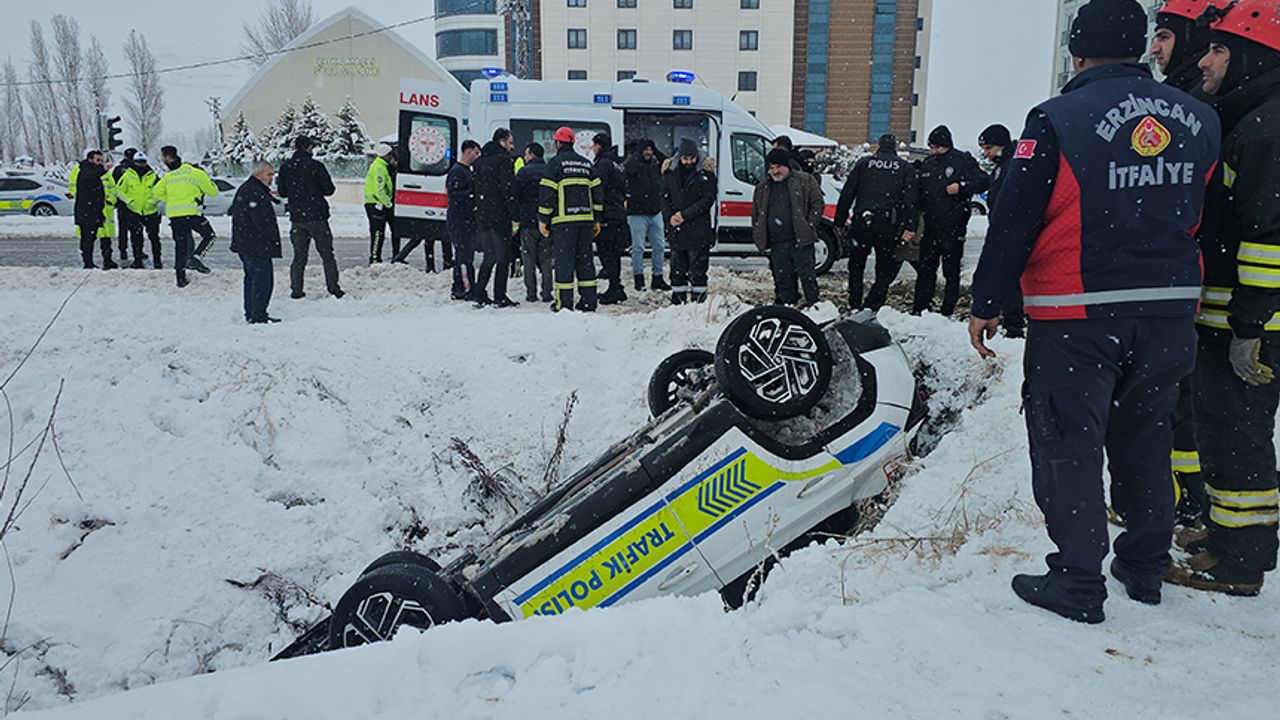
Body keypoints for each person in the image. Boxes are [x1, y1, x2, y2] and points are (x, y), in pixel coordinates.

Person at [968, 0, 1219, 622]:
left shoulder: (1057, 118)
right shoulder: (1200, 118)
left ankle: (1077, 580)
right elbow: (1214, 216)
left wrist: (987, 301)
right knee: (1147, 438)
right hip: (1168, 311)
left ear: (1077, 54)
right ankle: (1143, 566)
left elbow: (1015, 216)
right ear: (1139, 48)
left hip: (1078, 311)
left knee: (1067, 439)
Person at [1164, 0, 1280, 596]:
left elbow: (1266, 242)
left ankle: (1242, 564)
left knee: (1239, 436)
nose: (1204, 60)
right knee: (1223, 430)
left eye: (1217, 49)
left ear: (1250, 56)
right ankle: (1228, 537)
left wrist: (1250, 326)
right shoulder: (1249, 117)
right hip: (1237, 315)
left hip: (1254, 323)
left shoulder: (1266, 127)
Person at [833, 133, 918, 310]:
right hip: (888, 224)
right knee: (884, 266)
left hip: (862, 221)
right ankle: (874, 303)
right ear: (894, 147)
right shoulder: (904, 167)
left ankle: (854, 301)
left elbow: (848, 193)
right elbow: (911, 200)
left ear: (879, 146)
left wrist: (839, 221)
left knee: (856, 265)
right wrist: (911, 226)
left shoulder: (864, 164)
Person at [915, 124, 989, 316]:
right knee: (926, 269)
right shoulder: (929, 163)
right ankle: (921, 307)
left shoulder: (962, 160)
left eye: (937, 147)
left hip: (953, 224)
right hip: (931, 224)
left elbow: (983, 181)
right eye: (931, 147)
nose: (933, 151)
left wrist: (961, 187)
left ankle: (948, 308)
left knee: (951, 269)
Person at [539, 126, 602, 312]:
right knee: (585, 263)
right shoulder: (586, 164)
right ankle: (589, 302)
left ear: (558, 143)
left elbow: (547, 194)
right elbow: (597, 194)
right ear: (573, 143)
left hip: (563, 223)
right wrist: (596, 219)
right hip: (586, 223)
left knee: (564, 264)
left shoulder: (554, 164)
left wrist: (544, 219)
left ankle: (564, 304)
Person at [753, 148, 824, 307]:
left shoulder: (805, 180)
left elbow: (817, 203)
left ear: (787, 166)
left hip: (800, 241)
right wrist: (760, 235)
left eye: (778, 167)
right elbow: (757, 214)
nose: (775, 171)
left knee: (807, 277)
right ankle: (788, 309)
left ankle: (815, 309)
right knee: (783, 281)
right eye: (771, 168)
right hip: (777, 243)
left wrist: (809, 225)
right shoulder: (762, 188)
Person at [277, 135, 343, 300]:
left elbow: (282, 192)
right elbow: (329, 190)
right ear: (307, 148)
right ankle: (333, 288)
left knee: (299, 255)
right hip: (318, 216)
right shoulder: (316, 166)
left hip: (297, 218)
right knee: (327, 254)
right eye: (311, 147)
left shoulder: (286, 167)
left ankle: (296, 290)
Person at [977, 124, 1024, 338]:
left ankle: (1014, 326)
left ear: (1001, 145)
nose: (986, 153)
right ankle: (1011, 319)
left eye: (988, 148)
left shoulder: (1014, 164)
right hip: (1002, 228)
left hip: (1014, 231)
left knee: (1012, 279)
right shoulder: (999, 166)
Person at [153, 145, 219, 288]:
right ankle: (196, 257)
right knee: (210, 236)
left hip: (175, 216)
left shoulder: (169, 176)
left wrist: (170, 199)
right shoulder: (197, 173)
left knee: (180, 247)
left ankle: (180, 278)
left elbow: (156, 192)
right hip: (192, 214)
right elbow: (213, 192)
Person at [662, 138, 718, 304]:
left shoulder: (706, 174)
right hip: (677, 230)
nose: (688, 162)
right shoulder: (670, 173)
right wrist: (670, 216)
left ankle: (698, 302)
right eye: (685, 159)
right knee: (677, 270)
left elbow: (707, 200)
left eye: (691, 159)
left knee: (698, 270)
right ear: (679, 157)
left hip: (698, 230)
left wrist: (684, 215)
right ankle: (677, 302)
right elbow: (664, 197)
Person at [230, 161, 283, 325]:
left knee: (252, 278)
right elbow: (262, 221)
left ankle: (252, 312)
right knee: (262, 280)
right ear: (258, 175)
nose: (271, 178)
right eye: (269, 174)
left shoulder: (250, 189)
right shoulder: (255, 192)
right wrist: (271, 239)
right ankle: (258, 314)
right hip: (256, 245)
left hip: (247, 243)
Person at [472, 128, 519, 307]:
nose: (512, 146)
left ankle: (480, 293)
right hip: (500, 215)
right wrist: (514, 215)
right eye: (510, 142)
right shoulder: (504, 161)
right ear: (502, 141)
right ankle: (500, 295)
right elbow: (508, 190)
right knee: (503, 258)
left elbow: (475, 188)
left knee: (489, 256)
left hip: (483, 215)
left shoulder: (479, 162)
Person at [1151, 0, 1225, 96]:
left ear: (1193, 38)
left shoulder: (1202, 97)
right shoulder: (1186, 91)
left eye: (1164, 37)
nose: (1154, 49)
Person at [624, 139, 669, 292]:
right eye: (646, 150)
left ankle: (658, 277)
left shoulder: (655, 165)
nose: (648, 153)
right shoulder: (633, 165)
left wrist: (656, 151)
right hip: (637, 214)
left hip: (655, 212)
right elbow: (628, 169)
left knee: (659, 246)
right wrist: (637, 154)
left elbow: (667, 162)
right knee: (638, 248)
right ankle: (639, 278)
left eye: (651, 150)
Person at [592, 133, 629, 305]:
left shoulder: (603, 164)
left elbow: (598, 188)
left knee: (606, 252)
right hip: (619, 213)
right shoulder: (618, 164)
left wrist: (597, 215)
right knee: (614, 253)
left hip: (608, 214)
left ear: (598, 145)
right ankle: (616, 286)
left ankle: (615, 288)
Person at [514, 142, 552, 303]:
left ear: (532, 154)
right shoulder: (550, 171)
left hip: (528, 222)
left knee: (528, 259)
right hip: (546, 221)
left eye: (526, 153)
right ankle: (547, 292)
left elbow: (515, 195)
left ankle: (531, 293)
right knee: (546, 259)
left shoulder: (523, 172)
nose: (524, 156)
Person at [446, 139, 482, 300]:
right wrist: (472, 196)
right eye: (476, 152)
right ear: (468, 152)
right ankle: (464, 288)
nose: (477, 156)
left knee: (466, 255)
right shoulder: (458, 171)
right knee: (463, 256)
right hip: (460, 221)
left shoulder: (467, 171)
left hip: (467, 220)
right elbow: (454, 195)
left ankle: (462, 286)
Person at [118, 152, 162, 269]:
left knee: (154, 238)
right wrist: (129, 201)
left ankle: (157, 260)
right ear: (134, 162)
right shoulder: (128, 175)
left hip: (151, 211)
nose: (140, 164)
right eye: (138, 162)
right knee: (136, 237)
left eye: (142, 162)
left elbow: (160, 191)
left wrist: (153, 202)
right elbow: (119, 190)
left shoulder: (153, 176)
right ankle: (137, 260)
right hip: (134, 211)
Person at [70, 149, 109, 269]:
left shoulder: (93, 171)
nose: (100, 163)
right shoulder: (85, 170)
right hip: (86, 211)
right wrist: (103, 169)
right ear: (90, 160)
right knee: (87, 238)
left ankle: (89, 261)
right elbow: (90, 175)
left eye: (102, 161)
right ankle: (88, 263)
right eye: (98, 160)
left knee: (91, 238)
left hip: (94, 210)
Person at [364, 143, 397, 264]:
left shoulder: (381, 166)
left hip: (377, 203)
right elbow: (380, 190)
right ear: (386, 155)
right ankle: (374, 259)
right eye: (391, 155)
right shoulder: (379, 168)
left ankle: (376, 258)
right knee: (378, 233)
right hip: (375, 204)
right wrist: (389, 204)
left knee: (379, 233)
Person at [112, 147, 139, 265]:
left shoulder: (118, 169)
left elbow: (114, 186)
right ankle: (138, 251)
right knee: (135, 230)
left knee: (123, 229)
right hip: (134, 203)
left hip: (122, 204)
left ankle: (123, 250)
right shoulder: (135, 169)